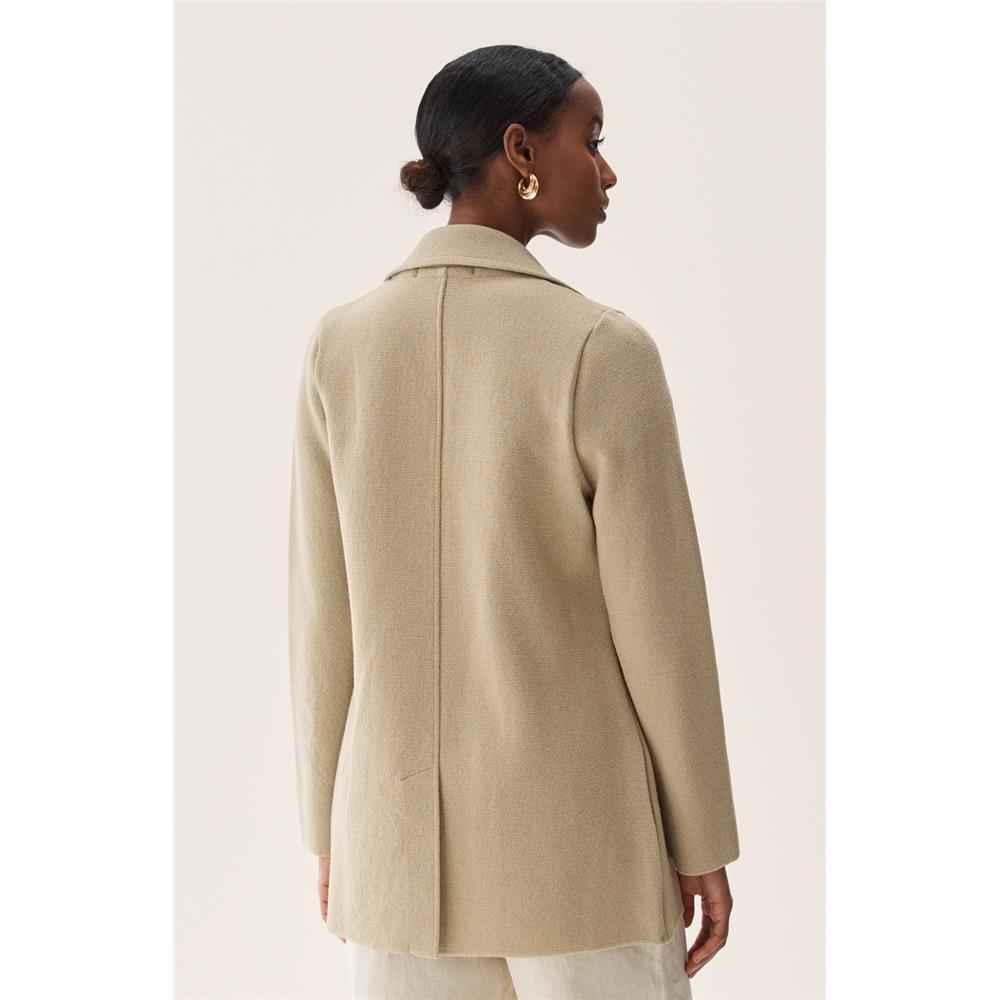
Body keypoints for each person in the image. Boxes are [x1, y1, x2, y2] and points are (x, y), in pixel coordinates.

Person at [288, 44, 741, 1000]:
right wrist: (701, 840)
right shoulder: (600, 349)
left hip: (395, 854)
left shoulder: (342, 345)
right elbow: (661, 626)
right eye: (593, 140)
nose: (608, 172)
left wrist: (334, 830)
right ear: (519, 149)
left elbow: (322, 622)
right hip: (580, 856)